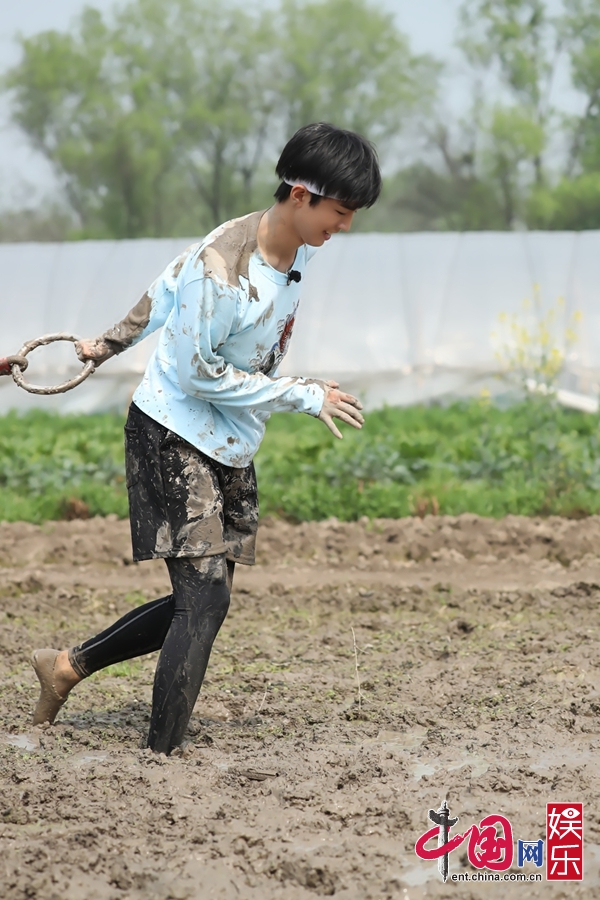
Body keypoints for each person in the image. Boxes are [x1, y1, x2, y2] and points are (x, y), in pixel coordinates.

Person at [31, 122, 382, 755]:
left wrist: (104, 343)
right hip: (173, 431)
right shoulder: (223, 264)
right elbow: (197, 369)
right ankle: (160, 756)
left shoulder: (293, 248)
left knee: (203, 598)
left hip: (230, 437)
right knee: (205, 598)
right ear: (301, 194)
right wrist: (302, 394)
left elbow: (166, 283)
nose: (346, 227)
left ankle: (66, 667)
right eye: (341, 211)